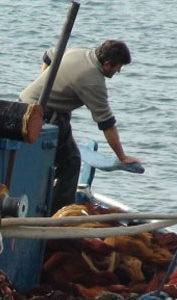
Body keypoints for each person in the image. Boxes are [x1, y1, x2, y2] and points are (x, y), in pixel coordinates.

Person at [19, 40, 141, 214]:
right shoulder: (93, 81)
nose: (118, 71)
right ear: (107, 64)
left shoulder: (81, 52)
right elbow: (106, 123)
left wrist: (44, 84)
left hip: (24, 105)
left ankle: (48, 202)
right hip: (43, 117)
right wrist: (122, 156)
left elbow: (48, 55)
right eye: (118, 67)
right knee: (71, 163)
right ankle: (59, 215)